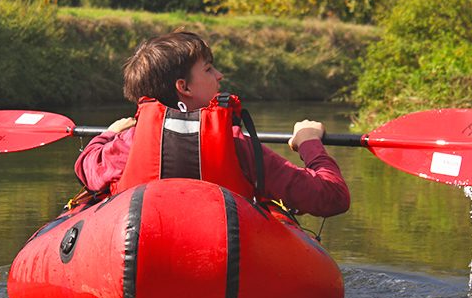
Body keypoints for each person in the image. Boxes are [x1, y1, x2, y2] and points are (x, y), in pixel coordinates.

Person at [74, 31, 350, 217]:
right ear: (184, 87)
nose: (219, 76)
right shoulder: (234, 145)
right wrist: (309, 142)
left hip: (141, 260)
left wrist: (108, 135)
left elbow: (86, 169)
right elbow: (332, 196)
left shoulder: (126, 144)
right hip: (224, 267)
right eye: (208, 69)